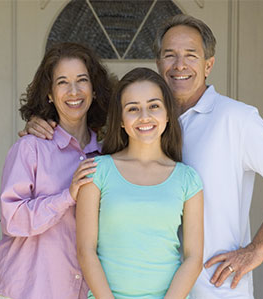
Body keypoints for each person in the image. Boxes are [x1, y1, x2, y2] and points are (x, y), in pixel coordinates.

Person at [20, 14, 263, 299]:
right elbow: (86, 120)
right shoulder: (146, 125)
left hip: (217, 288)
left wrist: (255, 250)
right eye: (170, 55)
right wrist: (41, 123)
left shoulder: (237, 119)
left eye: (191, 55)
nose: (179, 65)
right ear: (158, 64)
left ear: (209, 64)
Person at [0, 42, 112, 299]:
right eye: (62, 82)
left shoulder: (108, 156)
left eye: (82, 80)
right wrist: (67, 196)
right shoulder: (30, 149)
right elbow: (12, 219)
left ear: (94, 89)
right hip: (31, 291)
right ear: (49, 93)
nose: (73, 91)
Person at [76, 67, 204, 299]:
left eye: (154, 106)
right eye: (133, 109)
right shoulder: (97, 171)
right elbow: (85, 251)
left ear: (167, 114)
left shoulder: (187, 179)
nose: (144, 116)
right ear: (122, 121)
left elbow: (193, 257)